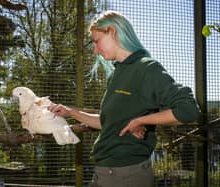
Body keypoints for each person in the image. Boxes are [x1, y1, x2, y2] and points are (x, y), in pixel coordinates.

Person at [48, 10, 200, 187]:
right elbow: (108, 123)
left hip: (126, 176)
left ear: (112, 31)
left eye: (96, 41)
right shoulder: (117, 74)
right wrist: (70, 112)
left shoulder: (146, 68)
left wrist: (142, 120)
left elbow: (189, 110)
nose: (95, 50)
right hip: (103, 172)